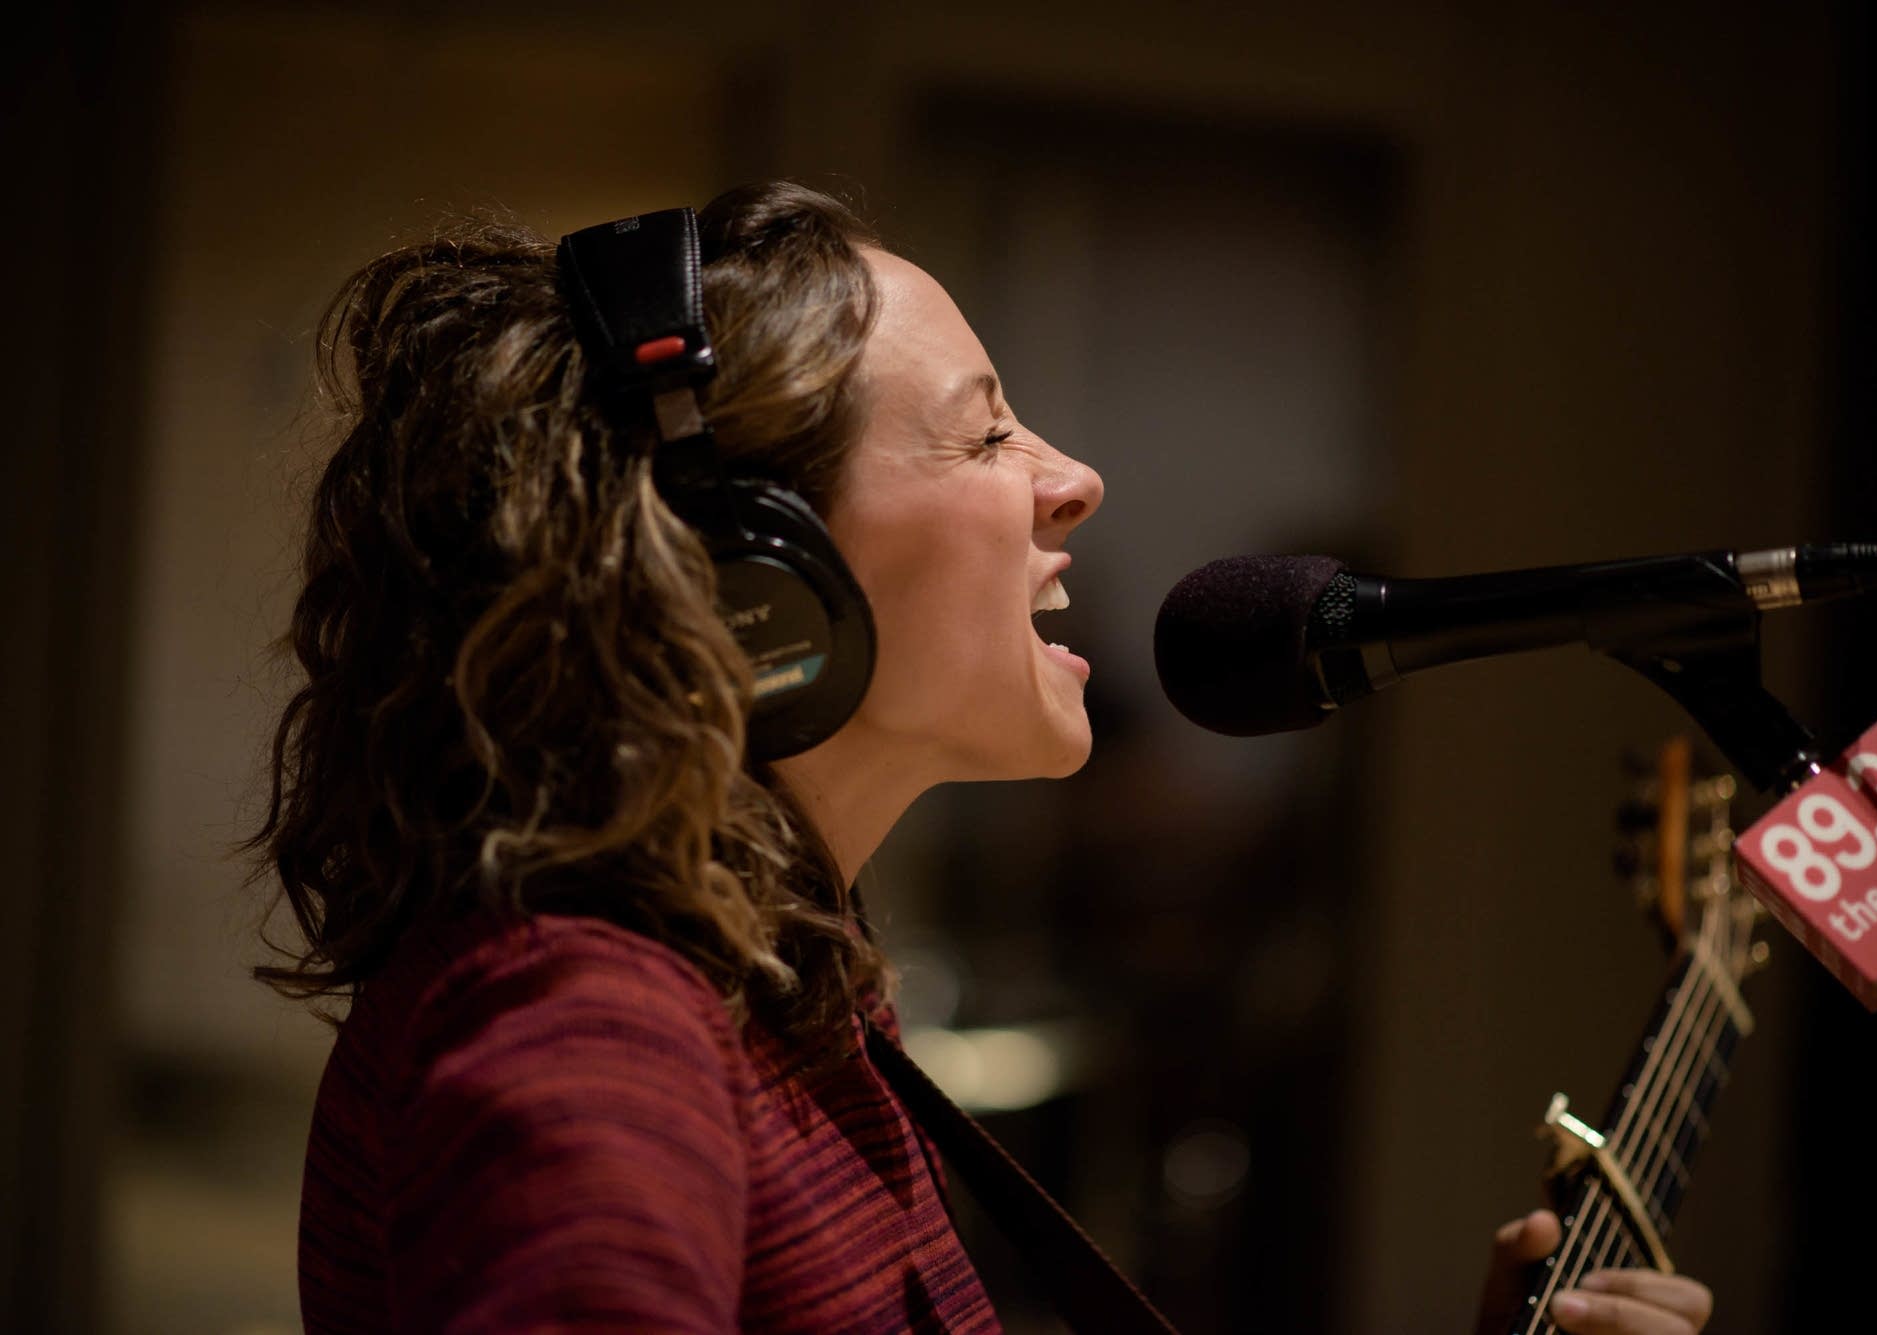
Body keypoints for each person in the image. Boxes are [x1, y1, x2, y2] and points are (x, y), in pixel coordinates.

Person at [250, 181, 1714, 1334]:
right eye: (987, 433)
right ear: (757, 577)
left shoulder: (778, 992)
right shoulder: (590, 1020)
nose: (1075, 482)